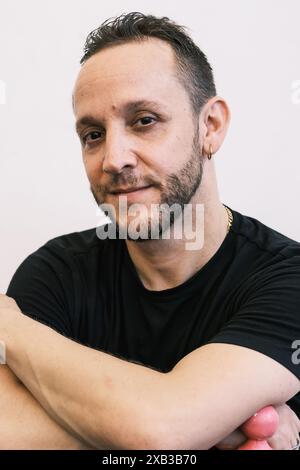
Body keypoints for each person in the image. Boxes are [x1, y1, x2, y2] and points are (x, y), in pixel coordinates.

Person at [1, 12, 300, 450]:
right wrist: (216, 433)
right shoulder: (57, 271)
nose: (113, 158)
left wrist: (8, 327)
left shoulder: (288, 279)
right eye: (93, 134)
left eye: (144, 120)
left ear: (210, 127)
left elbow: (165, 428)